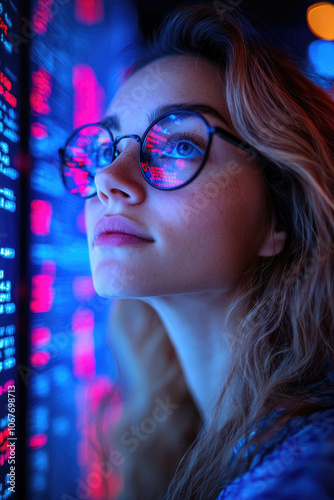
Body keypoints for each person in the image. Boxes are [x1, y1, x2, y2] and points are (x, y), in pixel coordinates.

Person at [59, 3, 334, 499]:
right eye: (106, 150)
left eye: (177, 146)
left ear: (280, 214)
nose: (108, 179)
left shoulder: (311, 465)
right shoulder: (186, 430)